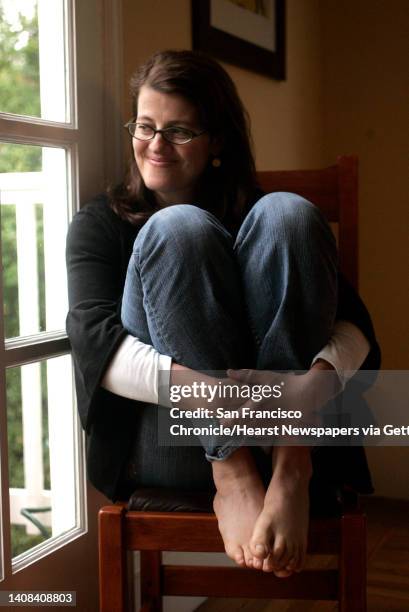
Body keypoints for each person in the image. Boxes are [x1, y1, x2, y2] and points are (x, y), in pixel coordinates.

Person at [66, 50, 380, 577]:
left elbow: (354, 327)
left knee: (291, 211)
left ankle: (291, 465)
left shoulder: (261, 216)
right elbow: (97, 345)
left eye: (179, 132)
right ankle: (231, 471)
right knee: (177, 228)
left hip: (285, 431)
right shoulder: (100, 223)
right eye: (145, 127)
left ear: (217, 141)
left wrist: (312, 389)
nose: (156, 145)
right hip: (171, 437)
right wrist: (207, 392)